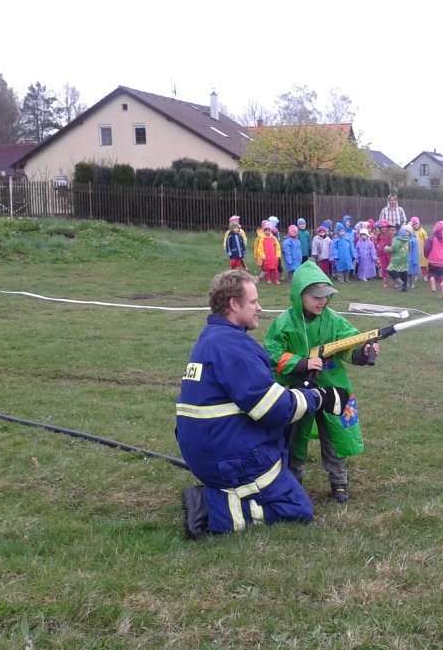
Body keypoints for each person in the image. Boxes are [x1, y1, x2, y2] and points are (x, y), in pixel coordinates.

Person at [176, 269, 349, 536]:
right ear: (234, 304)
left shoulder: (212, 337)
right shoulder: (234, 347)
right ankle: (214, 509)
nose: (259, 308)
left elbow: (256, 394)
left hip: (208, 448)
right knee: (298, 508)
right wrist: (319, 397)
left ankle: (225, 492)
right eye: (254, 301)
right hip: (231, 458)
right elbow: (272, 409)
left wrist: (298, 391)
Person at [264, 262, 379, 503]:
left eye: (325, 296)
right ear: (299, 295)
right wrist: (302, 363)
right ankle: (293, 480)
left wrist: (362, 351)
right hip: (299, 391)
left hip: (332, 389)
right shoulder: (285, 322)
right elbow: (273, 353)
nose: (322, 301)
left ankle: (339, 481)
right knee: (295, 437)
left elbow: (349, 344)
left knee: (334, 435)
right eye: (315, 297)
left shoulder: (333, 320)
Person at [386, 223, 412, 291]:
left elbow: (394, 248)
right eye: (390, 230)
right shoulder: (406, 237)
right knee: (403, 271)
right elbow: (409, 247)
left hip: (397, 258)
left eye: (393, 230)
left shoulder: (396, 238)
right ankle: (404, 287)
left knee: (390, 270)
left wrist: (386, 248)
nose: (392, 232)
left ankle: (399, 281)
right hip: (405, 257)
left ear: (397, 230)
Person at [411, 217, 429, 282]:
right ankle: (415, 275)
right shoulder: (411, 231)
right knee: (415, 264)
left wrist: (426, 248)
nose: (416, 225)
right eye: (414, 224)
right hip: (414, 251)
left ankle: (425, 275)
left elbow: (426, 240)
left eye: (417, 224)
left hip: (422, 251)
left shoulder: (423, 231)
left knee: (423, 264)